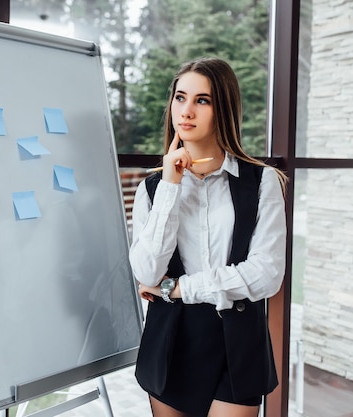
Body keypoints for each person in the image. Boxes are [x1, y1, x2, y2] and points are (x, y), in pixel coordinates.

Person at [129, 56, 288, 417]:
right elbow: (147, 271)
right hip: (171, 339)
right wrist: (171, 185)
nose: (186, 111)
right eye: (180, 97)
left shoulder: (262, 182)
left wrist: (179, 289)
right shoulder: (152, 189)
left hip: (238, 341)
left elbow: (266, 274)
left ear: (224, 109)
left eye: (202, 100)